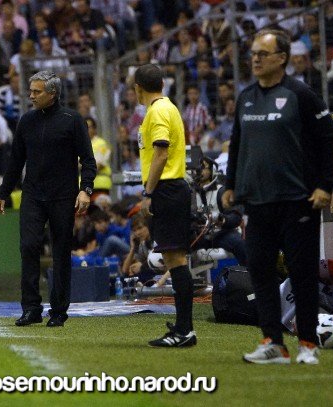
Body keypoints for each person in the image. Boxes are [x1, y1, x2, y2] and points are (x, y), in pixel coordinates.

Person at [223, 29, 333, 364]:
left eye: (262, 54)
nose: (255, 59)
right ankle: (273, 342)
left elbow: (331, 139)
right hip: (257, 203)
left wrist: (324, 185)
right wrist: (230, 185)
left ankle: (307, 345)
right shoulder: (246, 97)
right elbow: (236, 144)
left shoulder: (300, 94)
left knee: (302, 275)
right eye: (253, 54)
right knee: (260, 272)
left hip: (297, 201)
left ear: (282, 58)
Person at [0, 71, 96, 328]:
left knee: (61, 250)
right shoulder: (26, 121)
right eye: (30, 91)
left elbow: (88, 159)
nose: (31, 96)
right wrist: (4, 192)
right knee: (28, 246)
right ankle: (31, 308)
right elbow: (16, 160)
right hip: (32, 195)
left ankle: (59, 310)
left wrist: (85, 189)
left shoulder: (72, 120)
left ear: (52, 94)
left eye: (36, 91)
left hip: (63, 195)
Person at [133, 64, 196, 348]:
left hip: (167, 188)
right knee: (175, 259)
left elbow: (161, 153)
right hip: (172, 188)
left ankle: (184, 330)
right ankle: (184, 328)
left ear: (138, 88)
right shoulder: (168, 107)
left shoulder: (157, 111)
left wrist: (148, 192)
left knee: (176, 260)